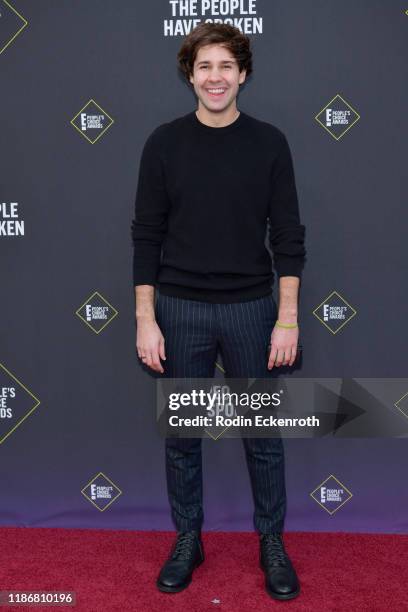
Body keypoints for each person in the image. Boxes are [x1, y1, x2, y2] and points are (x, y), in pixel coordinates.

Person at [131, 22, 306, 601]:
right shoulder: (163, 143)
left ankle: (272, 545)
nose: (215, 78)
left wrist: (288, 317)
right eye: (205, 66)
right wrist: (145, 317)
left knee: (261, 436)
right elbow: (146, 236)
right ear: (190, 74)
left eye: (226, 67)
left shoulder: (270, 143)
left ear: (244, 75)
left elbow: (288, 236)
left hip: (252, 310)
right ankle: (188, 539)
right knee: (183, 435)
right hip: (179, 309)